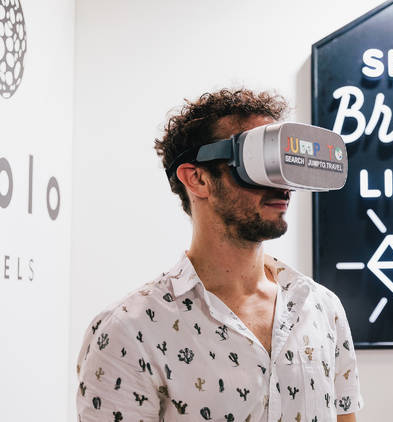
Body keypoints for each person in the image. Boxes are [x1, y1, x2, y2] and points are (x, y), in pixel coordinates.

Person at [75, 89, 363, 422]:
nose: (282, 186)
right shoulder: (128, 332)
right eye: (260, 162)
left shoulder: (321, 308)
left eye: (283, 164)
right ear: (197, 178)